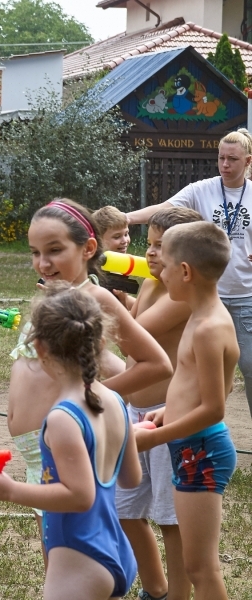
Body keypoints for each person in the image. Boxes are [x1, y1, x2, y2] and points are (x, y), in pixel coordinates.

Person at [7, 199, 171, 563]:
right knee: (56, 553)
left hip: (65, 440)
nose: (42, 263)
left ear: (88, 249)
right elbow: (104, 359)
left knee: (69, 555)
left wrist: (87, 399)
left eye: (54, 250)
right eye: (35, 252)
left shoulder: (94, 297)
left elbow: (156, 363)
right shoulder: (56, 297)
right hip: (42, 447)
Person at [0, 284, 142, 600]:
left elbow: (79, 496)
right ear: (101, 343)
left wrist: (10, 490)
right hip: (115, 548)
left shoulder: (63, 417)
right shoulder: (116, 400)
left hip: (79, 554)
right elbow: (131, 478)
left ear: (39, 348)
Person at [134, 221, 239, 600]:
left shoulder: (210, 327)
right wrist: (166, 414)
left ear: (184, 272)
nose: (157, 270)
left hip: (203, 452)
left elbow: (215, 407)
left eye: (164, 263)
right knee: (196, 564)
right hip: (190, 447)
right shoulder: (199, 315)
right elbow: (212, 384)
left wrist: (157, 437)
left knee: (201, 569)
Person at [124, 129, 252, 420]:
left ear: (248, 161)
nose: (225, 164)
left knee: (249, 367)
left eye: (232, 159)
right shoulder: (201, 189)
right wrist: (127, 218)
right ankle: (195, 416)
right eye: (221, 158)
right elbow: (164, 208)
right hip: (204, 292)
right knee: (195, 362)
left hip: (245, 295)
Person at [117, 207, 202, 600]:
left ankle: (179, 595)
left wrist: (95, 296)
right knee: (124, 508)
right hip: (135, 415)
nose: (149, 254)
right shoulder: (150, 285)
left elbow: (134, 333)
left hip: (169, 418)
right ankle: (156, 588)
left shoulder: (182, 296)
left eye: (160, 247)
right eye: (148, 244)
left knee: (171, 518)